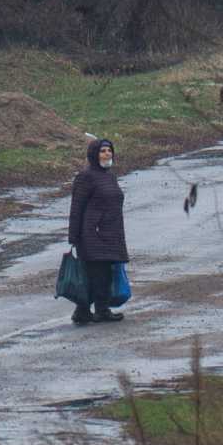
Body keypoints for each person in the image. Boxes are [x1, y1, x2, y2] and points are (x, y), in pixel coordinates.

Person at [67, 137, 128, 325]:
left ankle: (83, 311)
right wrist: (74, 236)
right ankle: (100, 310)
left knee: (102, 274)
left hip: (110, 234)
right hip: (92, 234)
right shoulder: (86, 177)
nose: (107, 154)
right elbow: (77, 207)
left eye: (109, 150)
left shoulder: (109, 176)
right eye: (103, 151)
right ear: (94, 154)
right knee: (98, 274)